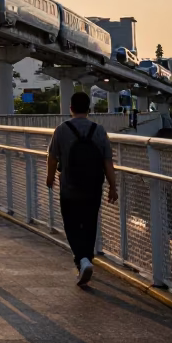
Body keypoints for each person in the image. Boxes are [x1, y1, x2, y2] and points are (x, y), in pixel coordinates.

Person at [46, 91, 119, 286]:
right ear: (89, 109)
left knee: (71, 223)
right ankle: (87, 257)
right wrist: (113, 186)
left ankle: (81, 259)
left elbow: (52, 157)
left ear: (70, 108)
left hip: (69, 186)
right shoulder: (99, 130)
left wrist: (50, 177)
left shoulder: (61, 130)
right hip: (94, 186)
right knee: (89, 223)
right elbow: (107, 162)